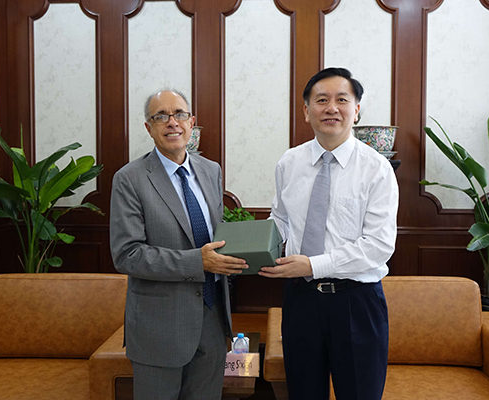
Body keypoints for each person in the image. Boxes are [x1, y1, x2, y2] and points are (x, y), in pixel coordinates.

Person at [260, 68, 399, 400]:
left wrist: (312, 265)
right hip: (301, 300)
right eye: (321, 100)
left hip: (356, 302)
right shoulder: (289, 163)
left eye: (342, 100)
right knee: (303, 393)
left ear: (357, 110)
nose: (331, 108)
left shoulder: (376, 168)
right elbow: (280, 220)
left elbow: (378, 246)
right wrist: (254, 249)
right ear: (306, 111)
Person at [110, 89, 248, 400]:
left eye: (180, 114)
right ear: (149, 128)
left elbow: (215, 237)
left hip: (213, 320)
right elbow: (127, 255)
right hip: (160, 328)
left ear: (191, 123)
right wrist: (198, 262)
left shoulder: (210, 170)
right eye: (161, 116)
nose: (172, 122)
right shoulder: (130, 179)